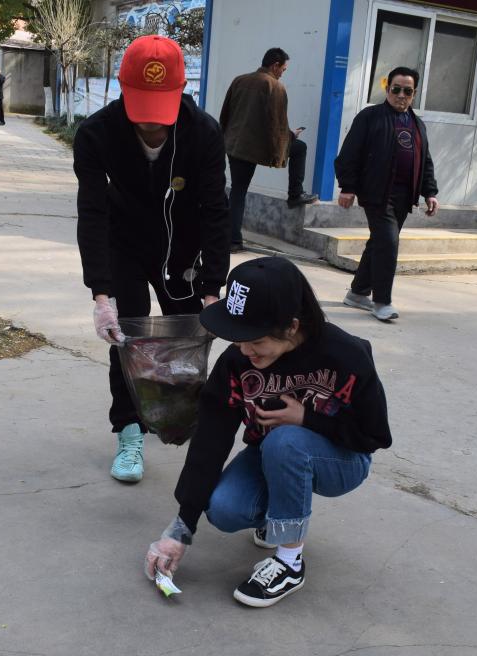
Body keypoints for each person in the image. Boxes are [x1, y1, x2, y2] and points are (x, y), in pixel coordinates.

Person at [144, 256, 391, 607]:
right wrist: (181, 527)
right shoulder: (238, 362)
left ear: (291, 327)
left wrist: (307, 419)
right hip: (271, 453)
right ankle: (280, 515)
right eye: (238, 338)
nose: (245, 350)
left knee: (286, 440)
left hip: (343, 459)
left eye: (255, 341)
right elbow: (210, 441)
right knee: (223, 509)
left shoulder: (346, 355)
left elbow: (375, 435)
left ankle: (290, 563)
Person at [73, 35, 231, 484]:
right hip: (122, 241)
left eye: (161, 112)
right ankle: (129, 431)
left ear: (181, 91)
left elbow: (215, 211)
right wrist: (101, 295)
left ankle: (178, 417)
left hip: (182, 245)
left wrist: (211, 288)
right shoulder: (96, 133)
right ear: (123, 89)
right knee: (127, 337)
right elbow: (92, 212)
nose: (151, 125)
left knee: (186, 337)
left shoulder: (203, 132)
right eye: (142, 110)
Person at [334, 66, 439, 322]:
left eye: (407, 91)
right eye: (396, 89)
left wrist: (430, 192)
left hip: (405, 196)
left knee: (380, 242)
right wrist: (347, 187)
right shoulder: (370, 117)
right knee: (389, 243)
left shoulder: (417, 124)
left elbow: (425, 160)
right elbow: (349, 153)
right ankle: (382, 301)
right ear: (387, 88)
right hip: (377, 193)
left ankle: (358, 293)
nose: (401, 95)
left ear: (414, 94)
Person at [220, 48, 318, 253]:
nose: (283, 73)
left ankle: (232, 241)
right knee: (300, 148)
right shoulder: (275, 86)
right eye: (283, 69)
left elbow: (225, 113)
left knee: (238, 191)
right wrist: (290, 138)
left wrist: (224, 139)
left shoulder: (239, 80)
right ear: (275, 66)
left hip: (234, 145)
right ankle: (295, 194)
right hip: (256, 146)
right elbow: (277, 123)